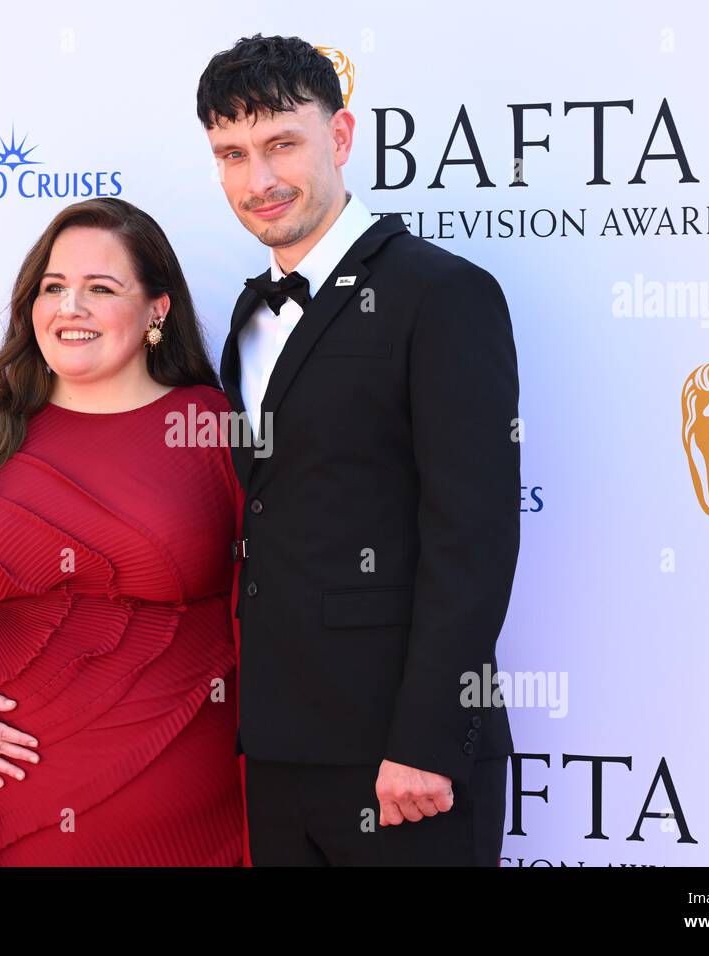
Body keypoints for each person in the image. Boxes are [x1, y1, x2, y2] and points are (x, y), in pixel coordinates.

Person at [197, 34, 521, 865]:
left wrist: (428, 738)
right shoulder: (245, 317)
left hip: (403, 761)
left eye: (280, 144)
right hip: (277, 752)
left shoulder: (443, 295)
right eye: (231, 153)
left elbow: (473, 536)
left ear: (339, 138)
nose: (257, 180)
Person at [0, 197, 245, 865]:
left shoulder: (212, 429)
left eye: (101, 288)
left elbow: (277, 592)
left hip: (182, 819)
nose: (71, 308)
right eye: (53, 287)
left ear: (158, 309)